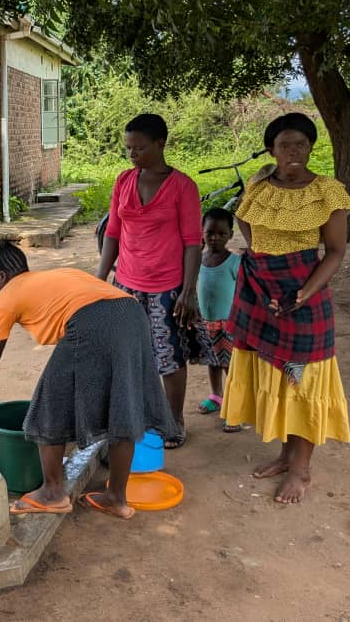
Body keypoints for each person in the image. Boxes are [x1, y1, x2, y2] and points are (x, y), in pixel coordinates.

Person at [0, 241, 177, 519]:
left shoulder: (7, 296)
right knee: (122, 405)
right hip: (132, 313)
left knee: (48, 404)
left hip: (93, 320)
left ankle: (53, 492)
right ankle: (116, 497)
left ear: (2, 276)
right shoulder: (59, 276)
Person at [221, 112, 350, 504]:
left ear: (311, 148)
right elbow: (245, 223)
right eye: (284, 145)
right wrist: (263, 265)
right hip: (260, 293)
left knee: (303, 380)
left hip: (304, 298)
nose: (293, 152)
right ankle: (284, 454)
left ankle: (302, 469)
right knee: (276, 374)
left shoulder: (328, 193)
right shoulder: (260, 185)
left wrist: (304, 292)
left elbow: (336, 252)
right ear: (272, 150)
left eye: (301, 144)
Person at [96, 113, 205, 449]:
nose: (133, 155)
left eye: (139, 148)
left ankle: (174, 422)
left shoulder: (182, 187)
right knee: (127, 354)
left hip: (167, 287)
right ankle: (139, 416)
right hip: (126, 284)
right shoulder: (123, 182)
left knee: (168, 356)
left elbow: (192, 241)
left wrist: (188, 290)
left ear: (160, 144)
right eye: (129, 149)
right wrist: (99, 281)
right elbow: (112, 233)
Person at [195, 207, 242, 432]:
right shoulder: (197, 261)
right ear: (202, 232)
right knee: (212, 361)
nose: (215, 238)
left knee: (230, 366)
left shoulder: (234, 262)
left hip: (228, 324)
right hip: (206, 323)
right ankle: (216, 396)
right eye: (210, 233)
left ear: (230, 235)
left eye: (222, 234)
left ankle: (236, 410)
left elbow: (243, 292)